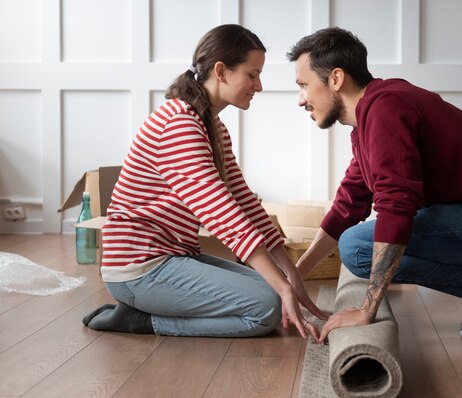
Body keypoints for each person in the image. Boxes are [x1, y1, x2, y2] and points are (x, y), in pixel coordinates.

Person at [286, 27, 462, 342]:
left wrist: (366, 311)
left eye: (304, 86)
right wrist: (298, 276)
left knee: (357, 247)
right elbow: (349, 202)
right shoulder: (370, 116)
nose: (301, 100)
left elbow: (397, 206)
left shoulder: (384, 110)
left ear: (336, 79)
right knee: (356, 244)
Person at [82, 24, 326, 341]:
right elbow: (221, 213)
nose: (259, 86)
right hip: (139, 268)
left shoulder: (212, 126)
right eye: (252, 75)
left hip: (174, 257)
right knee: (267, 308)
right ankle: (141, 321)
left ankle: (143, 311)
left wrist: (289, 272)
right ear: (221, 71)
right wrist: (281, 286)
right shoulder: (178, 123)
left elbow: (243, 201)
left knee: (274, 290)